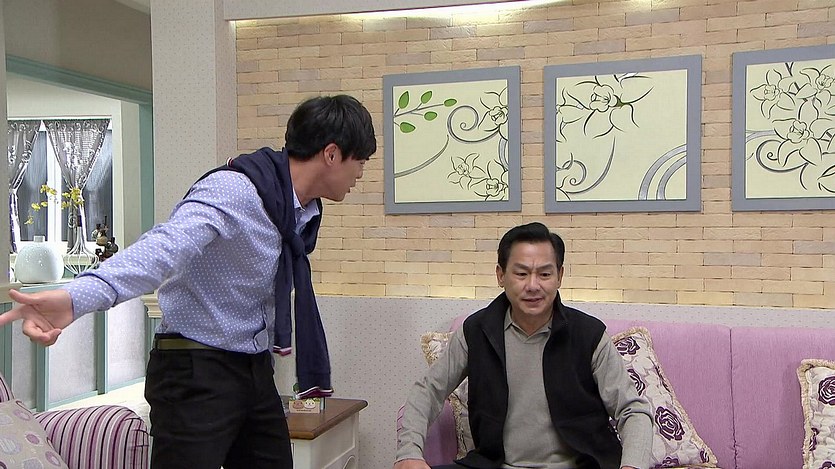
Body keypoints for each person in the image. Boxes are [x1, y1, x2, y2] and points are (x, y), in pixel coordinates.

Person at [0, 94, 376, 469]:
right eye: (360, 161)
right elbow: (164, 247)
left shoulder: (297, 213)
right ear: (331, 154)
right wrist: (75, 297)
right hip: (194, 366)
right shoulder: (234, 190)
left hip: (253, 366)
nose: (361, 173)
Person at [395, 222, 653, 469]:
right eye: (521, 273)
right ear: (501, 275)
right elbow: (428, 391)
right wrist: (408, 452)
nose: (533, 285)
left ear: (560, 276)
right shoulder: (476, 331)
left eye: (544, 274)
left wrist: (632, 465)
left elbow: (632, 409)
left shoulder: (589, 335)